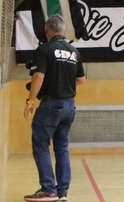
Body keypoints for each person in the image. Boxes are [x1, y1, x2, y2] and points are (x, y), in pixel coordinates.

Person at [23, 16, 85, 202]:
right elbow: (80, 80)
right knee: (62, 147)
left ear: (47, 30)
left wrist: (30, 101)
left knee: (41, 145)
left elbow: (38, 76)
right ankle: (62, 192)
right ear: (63, 30)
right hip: (69, 105)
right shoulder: (74, 51)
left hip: (51, 104)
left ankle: (48, 189)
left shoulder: (45, 49)